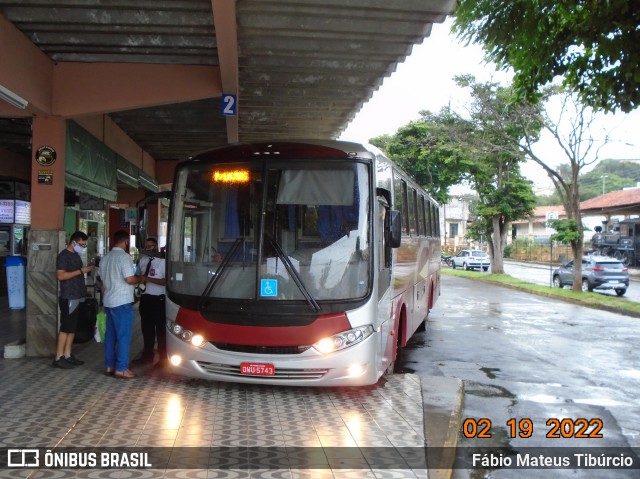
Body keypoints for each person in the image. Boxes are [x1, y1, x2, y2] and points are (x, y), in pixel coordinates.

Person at [99, 230, 142, 378]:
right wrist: (140, 278)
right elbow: (129, 279)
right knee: (123, 336)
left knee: (110, 336)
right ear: (126, 242)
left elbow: (102, 283)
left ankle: (109, 366)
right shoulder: (124, 258)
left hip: (109, 301)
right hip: (122, 302)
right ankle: (122, 368)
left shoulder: (105, 258)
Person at [53, 231, 95, 369]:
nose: (83, 247)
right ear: (74, 242)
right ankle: (58, 357)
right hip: (68, 296)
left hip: (77, 296)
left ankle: (67, 354)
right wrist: (81, 271)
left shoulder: (76, 256)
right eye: (82, 244)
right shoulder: (63, 256)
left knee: (72, 328)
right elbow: (61, 276)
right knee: (65, 327)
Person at [135, 237, 167, 367]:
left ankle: (163, 358)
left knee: (160, 330)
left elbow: (165, 281)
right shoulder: (142, 260)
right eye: (146, 247)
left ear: (156, 246)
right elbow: (138, 276)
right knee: (146, 329)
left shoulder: (162, 262)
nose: (149, 249)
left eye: (151, 246)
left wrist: (147, 279)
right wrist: (140, 280)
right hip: (145, 298)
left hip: (158, 299)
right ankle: (147, 355)